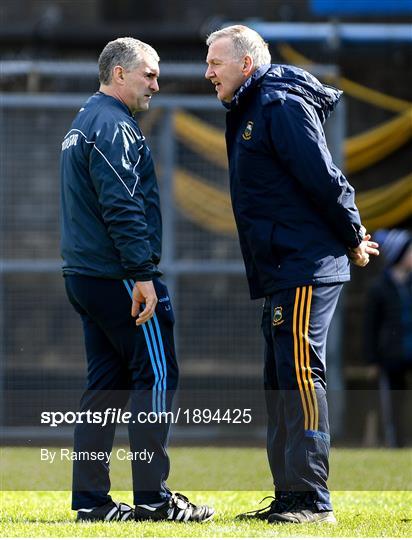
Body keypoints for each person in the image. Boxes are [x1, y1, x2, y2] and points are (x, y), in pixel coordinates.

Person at [205, 25, 379, 524]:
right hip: (283, 269)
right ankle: (288, 497)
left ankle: (311, 501)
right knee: (281, 381)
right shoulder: (251, 107)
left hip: (304, 265)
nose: (207, 71)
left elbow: (323, 176)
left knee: (301, 375)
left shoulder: (278, 103)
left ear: (245, 63)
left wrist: (352, 233)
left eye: (215, 61)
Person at [60, 37, 214, 523]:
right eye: (148, 74)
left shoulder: (84, 120)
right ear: (119, 74)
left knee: (103, 388)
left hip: (85, 276)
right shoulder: (113, 125)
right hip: (121, 277)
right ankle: (154, 498)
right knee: (157, 376)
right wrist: (142, 274)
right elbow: (122, 206)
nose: (157, 83)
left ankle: (92, 504)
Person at [365, 229, 412, 447]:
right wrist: (373, 360)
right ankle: (396, 442)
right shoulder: (378, 288)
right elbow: (371, 327)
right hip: (392, 355)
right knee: (394, 401)